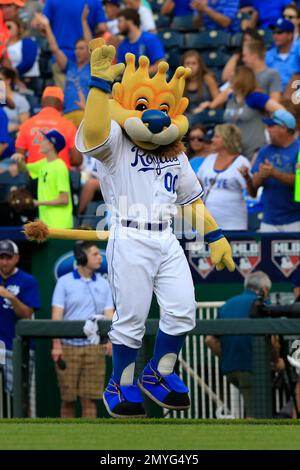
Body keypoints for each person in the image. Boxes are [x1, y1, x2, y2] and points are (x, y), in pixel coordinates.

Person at [76, 38, 235, 418]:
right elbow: (95, 131)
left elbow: (189, 200)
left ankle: (158, 375)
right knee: (130, 318)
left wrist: (214, 234)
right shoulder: (116, 140)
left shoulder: (174, 152)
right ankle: (122, 383)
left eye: (164, 107)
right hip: (129, 235)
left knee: (183, 309)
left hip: (165, 235)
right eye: (146, 105)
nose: (156, 116)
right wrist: (98, 84)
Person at [51, 241, 114, 418]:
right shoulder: (64, 282)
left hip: (94, 347)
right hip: (68, 347)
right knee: (68, 399)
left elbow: (109, 314)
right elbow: (56, 315)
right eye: (94, 254)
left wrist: (108, 340)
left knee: (89, 399)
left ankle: (89, 442)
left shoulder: (104, 284)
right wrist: (56, 345)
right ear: (82, 257)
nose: (99, 258)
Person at [206, 271, 279, 418]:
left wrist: (227, 356)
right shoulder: (263, 305)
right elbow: (273, 341)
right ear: (264, 290)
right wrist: (277, 361)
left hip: (230, 369)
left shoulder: (227, 305)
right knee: (256, 416)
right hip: (251, 369)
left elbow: (209, 340)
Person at [0, 239, 40, 396]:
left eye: (8, 257)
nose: (4, 261)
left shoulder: (28, 281)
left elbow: (27, 314)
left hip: (16, 348)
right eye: (1, 257)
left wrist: (10, 297)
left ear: (16, 258)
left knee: (18, 396)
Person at [250, 109, 300, 232]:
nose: (267, 129)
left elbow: (298, 183)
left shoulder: (298, 149)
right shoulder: (265, 150)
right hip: (269, 220)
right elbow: (254, 185)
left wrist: (274, 173)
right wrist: (262, 174)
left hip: (295, 219)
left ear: (283, 128)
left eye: (271, 126)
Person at [37, 14, 90, 128]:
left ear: (89, 51)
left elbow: (92, 45)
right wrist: (47, 27)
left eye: (81, 48)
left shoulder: (92, 68)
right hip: (66, 113)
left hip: (85, 112)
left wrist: (84, 21)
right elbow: (55, 49)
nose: (77, 51)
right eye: (76, 48)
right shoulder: (70, 66)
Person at [13, 129, 74, 229]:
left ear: (51, 144)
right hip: (47, 225)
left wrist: (38, 202)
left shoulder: (60, 167)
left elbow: (64, 199)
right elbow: (23, 169)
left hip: (60, 225)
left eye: (44, 139)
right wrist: (20, 159)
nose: (40, 142)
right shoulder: (43, 163)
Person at [197, 124, 250, 231]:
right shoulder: (209, 159)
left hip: (234, 224)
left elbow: (252, 192)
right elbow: (198, 185)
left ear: (227, 139)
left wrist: (247, 177)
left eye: (216, 137)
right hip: (209, 225)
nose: (212, 140)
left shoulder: (241, 161)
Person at [15, 86, 82, 168]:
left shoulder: (27, 124)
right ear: (61, 104)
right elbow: (77, 160)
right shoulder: (68, 125)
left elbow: (18, 158)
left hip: (33, 176)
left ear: (42, 102)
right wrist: (64, 162)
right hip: (59, 175)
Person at [117, 9, 164, 75]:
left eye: (120, 21)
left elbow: (160, 64)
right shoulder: (122, 45)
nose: (118, 26)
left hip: (151, 81)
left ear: (130, 21)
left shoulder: (150, 39)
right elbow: (121, 68)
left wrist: (139, 75)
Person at [266, 18, 300, 93]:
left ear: (290, 35)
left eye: (279, 32)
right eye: (274, 32)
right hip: (274, 96)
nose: (275, 36)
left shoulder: (298, 48)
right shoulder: (268, 54)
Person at [183, 50, 219, 119]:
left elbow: (218, 101)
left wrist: (209, 104)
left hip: (205, 117)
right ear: (183, 65)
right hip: (186, 119)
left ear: (199, 65)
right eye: (187, 63)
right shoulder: (180, 81)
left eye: (194, 63)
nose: (190, 66)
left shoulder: (207, 78)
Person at [5, 17, 40, 90]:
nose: (5, 29)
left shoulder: (27, 42)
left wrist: (12, 74)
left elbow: (28, 62)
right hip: (5, 79)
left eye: (8, 27)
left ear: (18, 28)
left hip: (26, 79)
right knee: (3, 100)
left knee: (25, 100)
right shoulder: (2, 44)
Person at [0, 67, 30, 134]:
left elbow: (25, 125)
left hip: (12, 134)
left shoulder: (20, 100)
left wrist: (15, 127)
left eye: (0, 79)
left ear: (8, 81)